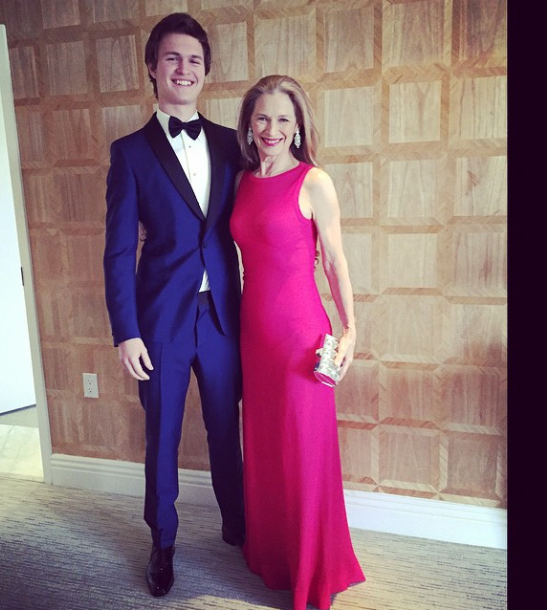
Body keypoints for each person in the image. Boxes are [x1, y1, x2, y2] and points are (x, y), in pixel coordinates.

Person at [103, 13, 245, 598]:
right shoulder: (129, 153)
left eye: (194, 60)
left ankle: (239, 525)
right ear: (152, 69)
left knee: (225, 428)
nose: (184, 69)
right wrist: (126, 331)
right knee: (161, 435)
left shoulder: (233, 144)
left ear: (205, 72)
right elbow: (118, 249)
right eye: (172, 58)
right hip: (159, 319)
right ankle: (162, 541)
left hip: (222, 316)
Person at [230, 75, 366, 610]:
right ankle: (275, 557)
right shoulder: (241, 181)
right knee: (267, 450)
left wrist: (350, 327)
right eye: (262, 117)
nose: (272, 129)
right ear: (249, 123)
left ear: (298, 126)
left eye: (283, 119)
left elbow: (333, 260)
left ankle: (313, 573)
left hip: (300, 336)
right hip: (253, 336)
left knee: (304, 454)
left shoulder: (314, 181)